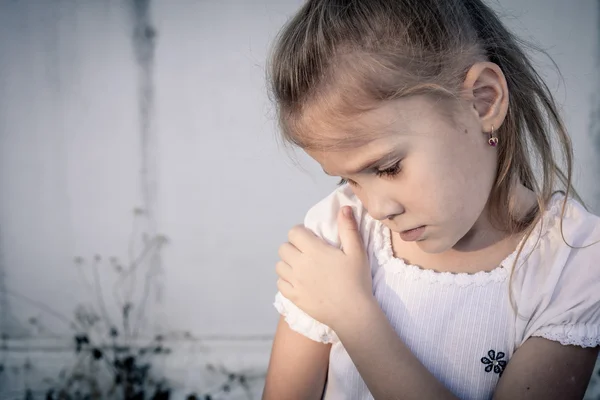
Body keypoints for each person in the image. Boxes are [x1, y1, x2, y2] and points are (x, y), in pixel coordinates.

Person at [261, 0, 600, 399]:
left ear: (483, 101)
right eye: (349, 180)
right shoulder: (337, 235)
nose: (376, 207)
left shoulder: (573, 261)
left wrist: (354, 317)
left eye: (388, 168)